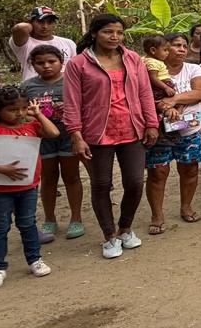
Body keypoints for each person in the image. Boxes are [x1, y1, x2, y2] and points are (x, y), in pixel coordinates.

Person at [63, 15, 159, 259]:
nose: (114, 37)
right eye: (108, 31)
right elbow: (72, 102)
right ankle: (109, 236)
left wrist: (151, 123)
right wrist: (76, 135)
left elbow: (145, 93)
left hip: (132, 129)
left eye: (119, 32)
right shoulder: (78, 64)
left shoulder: (133, 58)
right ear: (94, 33)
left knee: (135, 182)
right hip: (97, 133)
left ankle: (125, 228)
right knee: (101, 184)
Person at [0, 85, 59, 290]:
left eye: (23, 108)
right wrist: (0, 169)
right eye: (13, 109)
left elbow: (53, 132)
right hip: (0, 191)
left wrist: (38, 114)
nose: (20, 113)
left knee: (28, 224)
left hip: (28, 187)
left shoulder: (31, 127)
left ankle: (34, 259)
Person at [143, 31, 201, 231]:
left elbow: (199, 93)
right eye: (176, 45)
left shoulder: (194, 68)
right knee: (158, 172)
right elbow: (144, 95)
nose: (181, 49)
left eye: (184, 46)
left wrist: (173, 100)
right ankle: (157, 215)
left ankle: (186, 207)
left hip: (190, 128)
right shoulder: (149, 70)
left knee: (190, 169)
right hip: (159, 131)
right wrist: (164, 107)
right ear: (163, 48)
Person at [23, 45, 84, 243]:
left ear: (61, 62)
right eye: (40, 63)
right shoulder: (27, 86)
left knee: (72, 177)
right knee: (48, 180)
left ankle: (76, 218)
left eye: (52, 61)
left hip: (69, 137)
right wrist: (31, 115)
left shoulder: (72, 81)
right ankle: (50, 219)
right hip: (42, 140)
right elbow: (20, 111)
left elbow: (85, 105)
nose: (46, 66)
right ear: (32, 65)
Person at [9, 6, 76, 81]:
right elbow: (21, 27)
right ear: (31, 22)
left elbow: (74, 68)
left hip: (63, 86)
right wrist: (30, 25)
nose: (45, 26)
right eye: (40, 22)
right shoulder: (24, 43)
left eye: (50, 22)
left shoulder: (68, 43)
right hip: (34, 87)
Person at [141, 34, 176, 100]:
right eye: (165, 50)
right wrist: (166, 87)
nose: (167, 53)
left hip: (160, 86)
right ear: (153, 50)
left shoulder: (144, 59)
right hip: (160, 87)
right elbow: (153, 78)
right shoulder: (153, 62)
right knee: (174, 101)